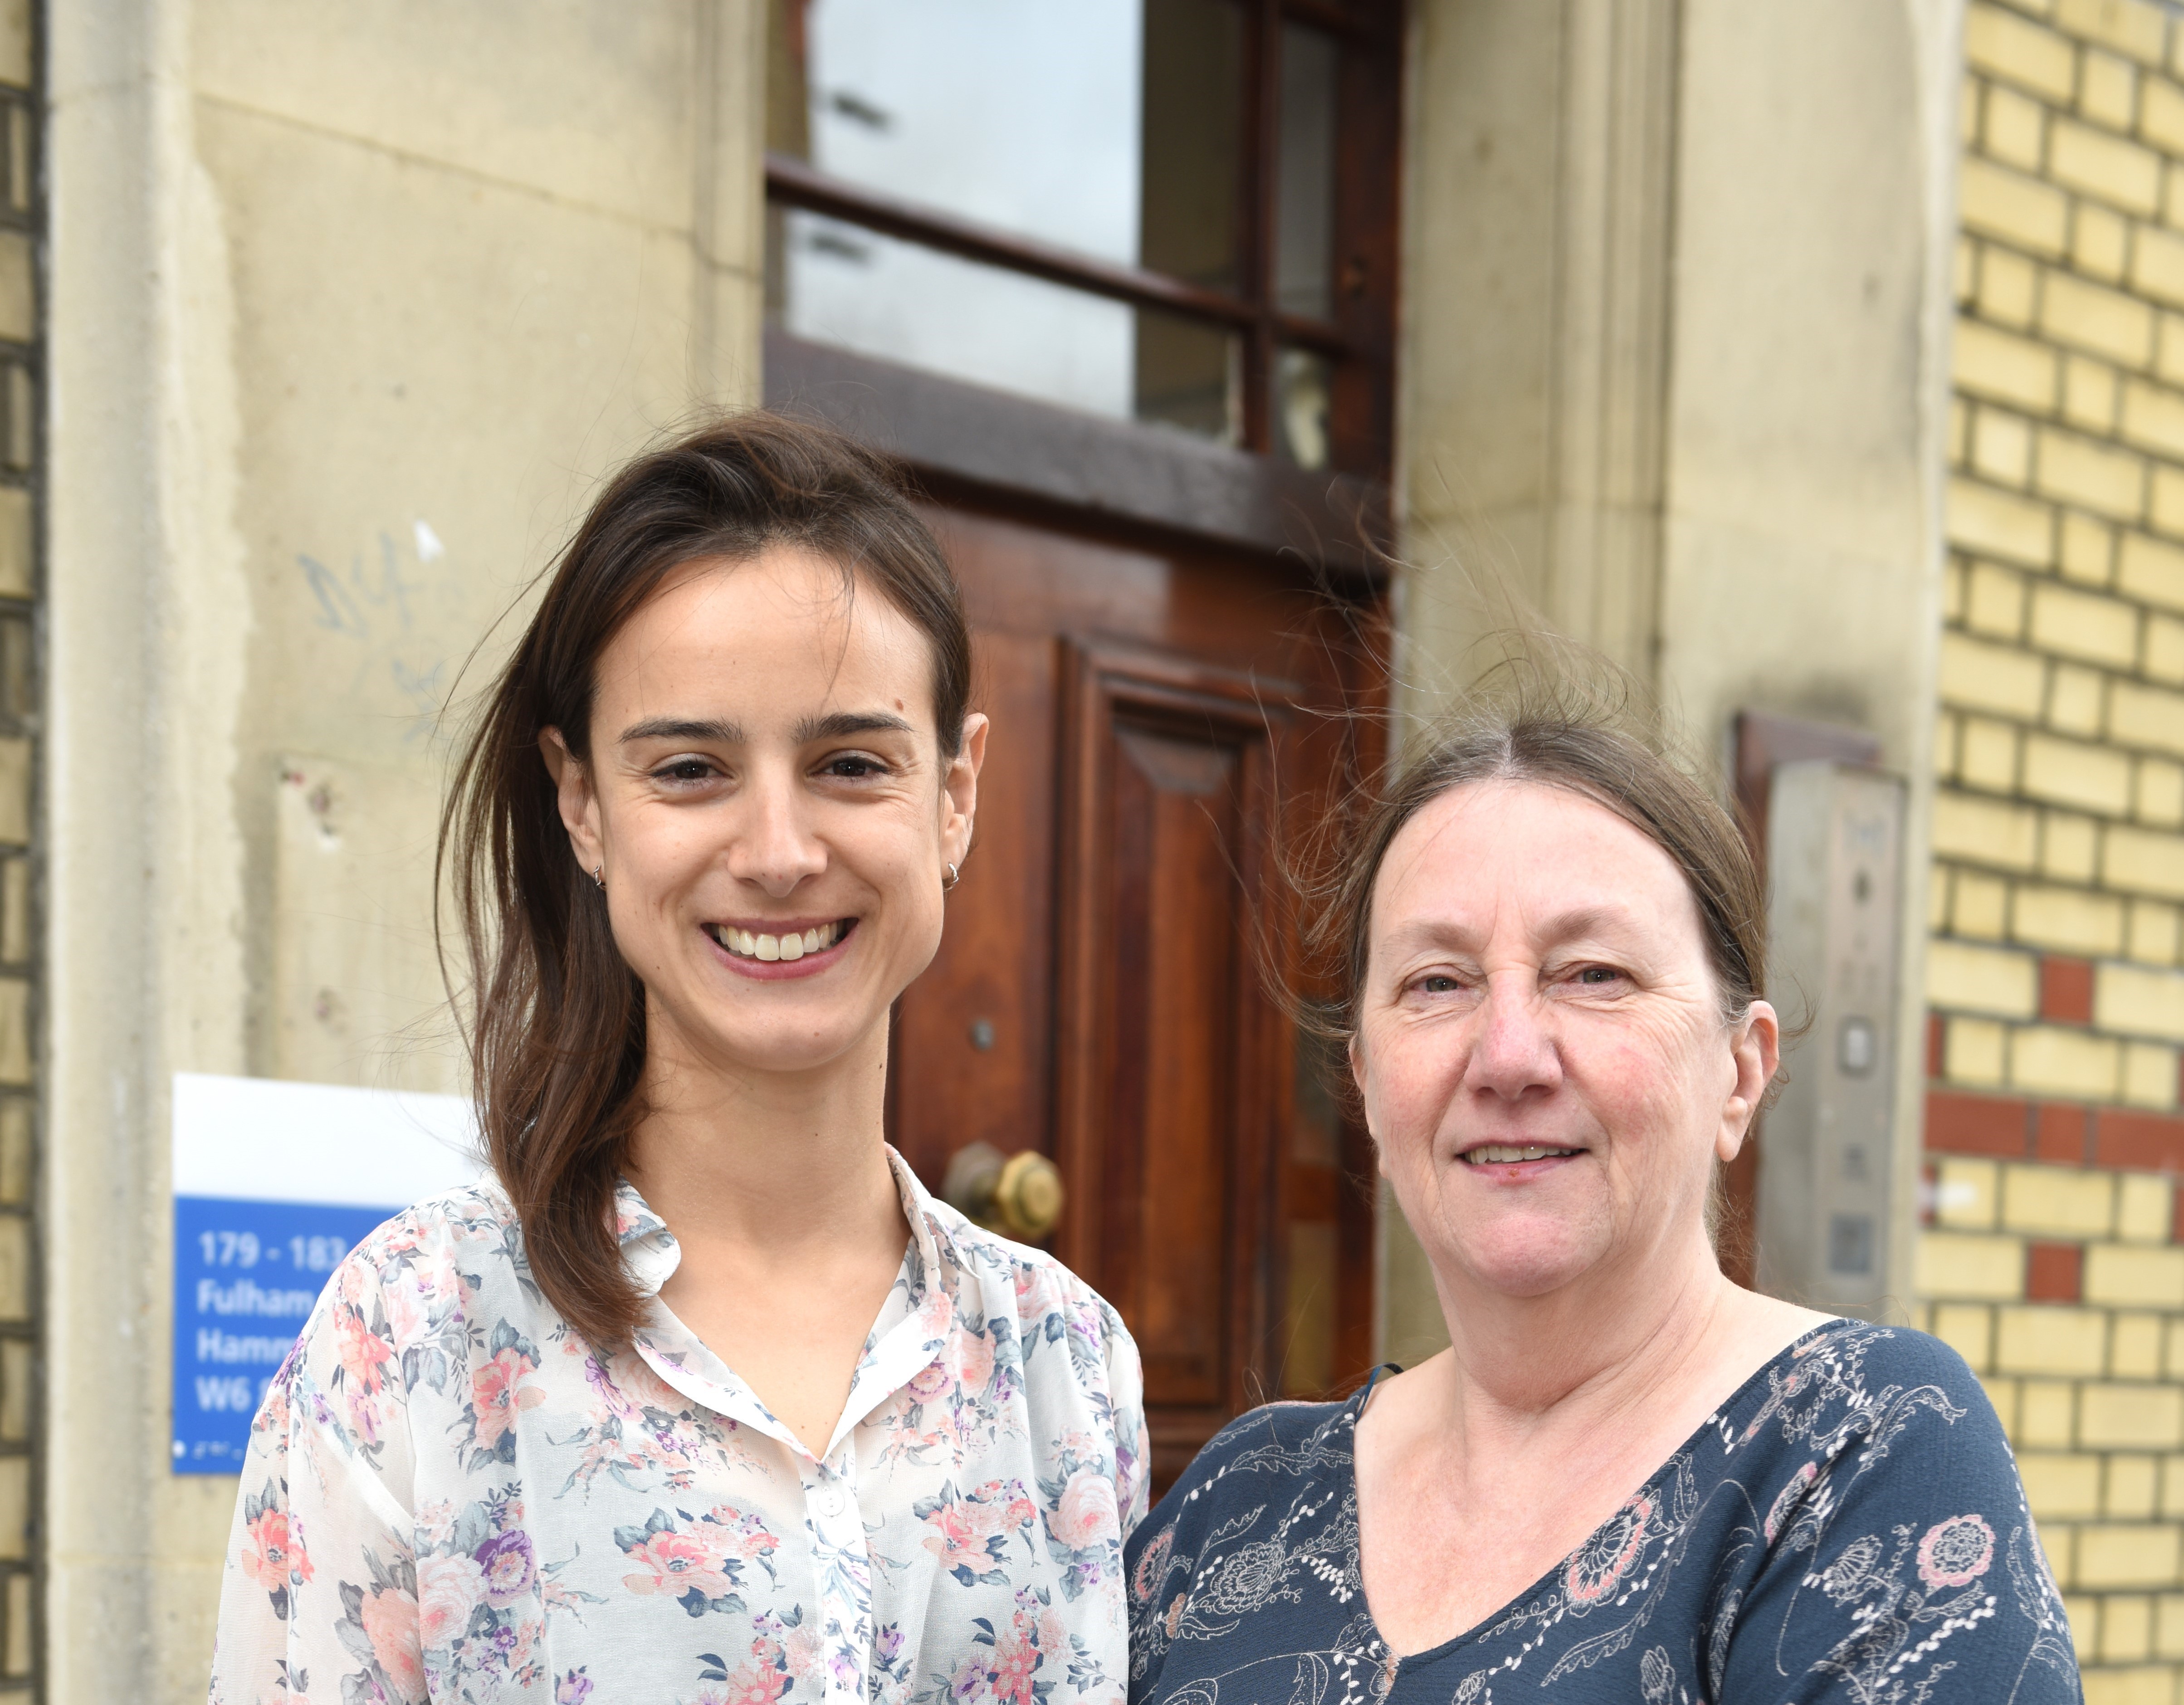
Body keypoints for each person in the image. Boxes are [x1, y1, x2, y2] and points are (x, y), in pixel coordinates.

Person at [209, 415, 1147, 1704]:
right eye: (692, 768)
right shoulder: (412, 1333)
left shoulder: (1068, 1364)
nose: (776, 850)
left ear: (956, 793)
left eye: (851, 763)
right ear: (583, 802)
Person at [1124, 706, 2078, 1704]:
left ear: (1739, 1072)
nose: (1505, 1056)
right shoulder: (1241, 1495)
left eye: (1591, 973)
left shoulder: (1859, 1447)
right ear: (1365, 1082)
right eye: (1436, 981)